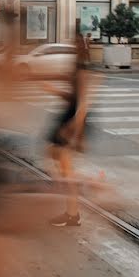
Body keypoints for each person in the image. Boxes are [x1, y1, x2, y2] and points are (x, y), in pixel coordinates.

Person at [41, 34, 96, 227]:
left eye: (74, 44)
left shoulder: (82, 71)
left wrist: (73, 130)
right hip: (68, 118)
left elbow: (83, 105)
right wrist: (53, 90)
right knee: (59, 163)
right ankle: (72, 210)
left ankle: (72, 214)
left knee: (66, 171)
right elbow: (72, 97)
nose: (71, 47)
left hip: (71, 121)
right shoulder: (76, 69)